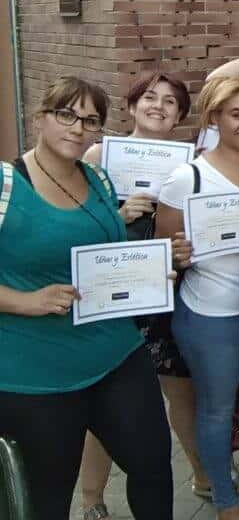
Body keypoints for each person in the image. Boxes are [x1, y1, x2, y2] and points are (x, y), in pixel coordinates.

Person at [0, 77, 174, 519]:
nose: (77, 128)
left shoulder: (96, 176)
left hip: (116, 353)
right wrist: (26, 302)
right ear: (40, 117)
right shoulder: (6, 184)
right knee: (48, 498)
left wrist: (149, 273)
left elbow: (102, 248)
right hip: (39, 373)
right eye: (66, 114)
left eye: (90, 120)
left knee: (153, 467)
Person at [80, 73, 223, 519]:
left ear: (181, 115)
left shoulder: (191, 164)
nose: (158, 106)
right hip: (113, 295)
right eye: (149, 97)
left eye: (170, 102)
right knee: (102, 402)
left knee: (181, 392)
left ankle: (202, 474)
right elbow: (78, 228)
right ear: (133, 104)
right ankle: (92, 500)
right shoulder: (99, 155)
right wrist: (119, 216)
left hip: (167, 292)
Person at [156, 77, 239, 520]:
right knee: (216, 411)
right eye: (238, 114)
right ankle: (225, 503)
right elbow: (165, 256)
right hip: (211, 313)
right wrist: (178, 253)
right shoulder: (187, 176)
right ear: (214, 117)